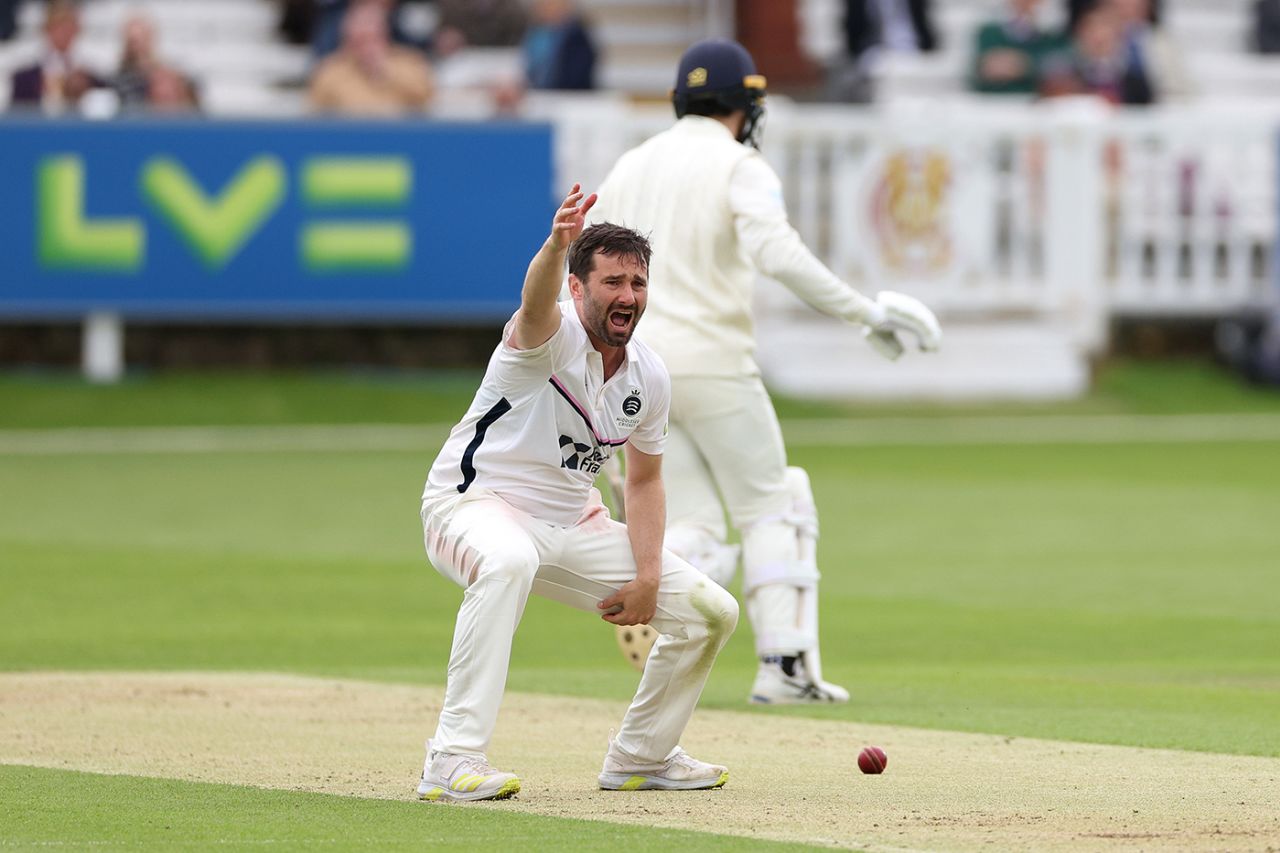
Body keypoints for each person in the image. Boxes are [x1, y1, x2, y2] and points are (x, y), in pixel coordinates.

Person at [587, 39, 940, 705]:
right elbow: (776, 253)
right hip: (711, 362)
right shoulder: (737, 162)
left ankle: (667, 608)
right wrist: (865, 313)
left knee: (684, 520)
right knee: (776, 500)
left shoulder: (632, 163)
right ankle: (784, 666)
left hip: (629, 369)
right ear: (745, 107)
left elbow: (588, 265)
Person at [416, 185, 739, 802]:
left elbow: (644, 481)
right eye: (613, 282)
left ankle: (640, 757)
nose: (628, 296)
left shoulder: (648, 375)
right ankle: (450, 761)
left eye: (638, 283)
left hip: (574, 525)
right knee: (508, 561)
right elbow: (533, 297)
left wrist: (647, 574)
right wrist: (555, 245)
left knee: (710, 614)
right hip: (473, 505)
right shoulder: (546, 335)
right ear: (577, 288)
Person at [308, 2, 433, 116]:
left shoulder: (409, 61)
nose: (366, 47)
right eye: (359, 40)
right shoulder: (330, 69)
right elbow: (314, 113)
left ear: (384, 34)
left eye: (371, 38)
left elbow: (427, 100)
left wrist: (384, 69)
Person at [8, 0, 105, 112]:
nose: (64, 33)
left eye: (68, 28)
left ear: (77, 30)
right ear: (47, 30)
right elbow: (17, 115)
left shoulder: (91, 75)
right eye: (58, 27)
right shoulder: (25, 79)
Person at [969, 0, 1070, 95]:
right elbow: (987, 68)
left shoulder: (1051, 37)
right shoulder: (989, 33)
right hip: (990, 102)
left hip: (1033, 102)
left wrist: (1024, 64)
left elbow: (1056, 70)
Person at [523, 0, 596, 91]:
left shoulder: (576, 36)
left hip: (569, 94)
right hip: (541, 92)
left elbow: (578, 72)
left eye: (553, 6)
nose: (549, 10)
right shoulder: (536, 34)